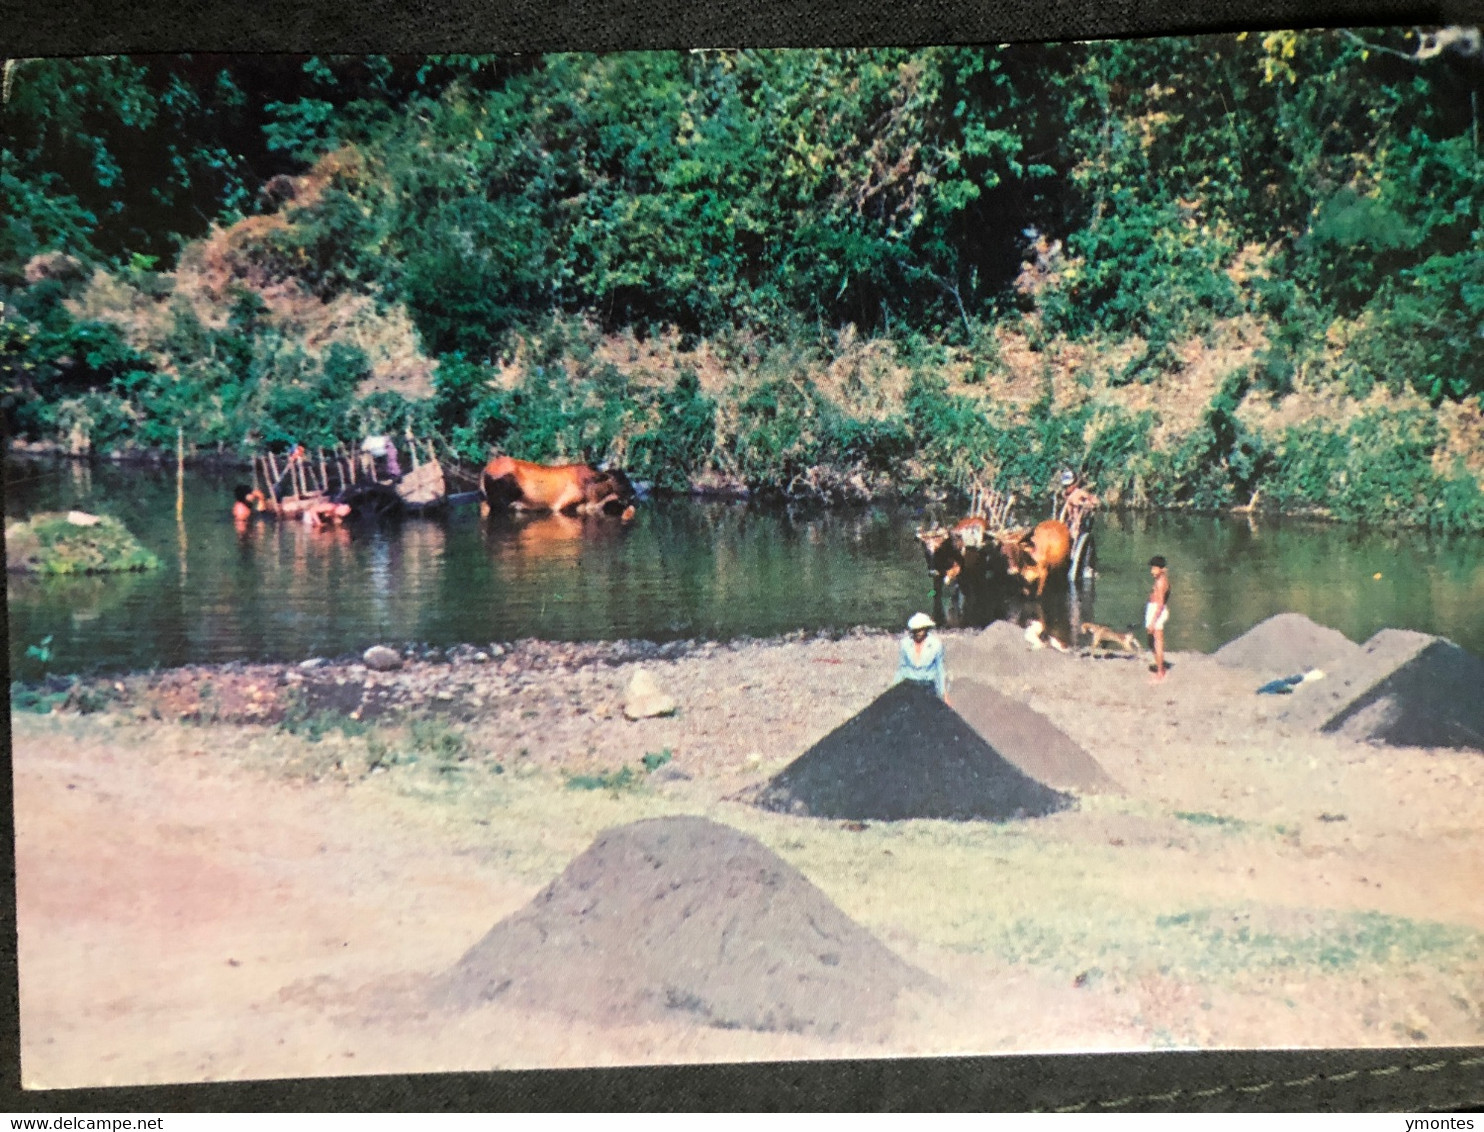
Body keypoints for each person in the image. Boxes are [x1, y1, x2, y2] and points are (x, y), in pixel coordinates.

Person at [893, 612, 949, 702]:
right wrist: (894, 689)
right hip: (910, 684)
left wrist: (944, 693)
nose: (918, 633)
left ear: (926, 629)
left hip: (928, 685)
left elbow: (940, 670)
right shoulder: (905, 644)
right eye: (916, 630)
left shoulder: (936, 645)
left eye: (921, 630)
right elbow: (902, 668)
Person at [1146, 555, 1171, 680]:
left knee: (1157, 642)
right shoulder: (1159, 580)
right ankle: (1160, 666)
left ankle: (1160, 672)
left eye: (1155, 569)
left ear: (1162, 569)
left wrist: (1153, 621)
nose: (1152, 571)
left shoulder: (1162, 582)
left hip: (1157, 611)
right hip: (1153, 609)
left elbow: (1160, 604)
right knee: (1151, 642)